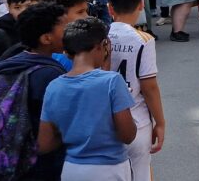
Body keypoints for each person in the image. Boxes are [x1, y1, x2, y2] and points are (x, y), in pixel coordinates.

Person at [38, 18, 137, 181]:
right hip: (111, 169)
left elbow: (44, 143)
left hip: (72, 169)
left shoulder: (53, 87)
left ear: (67, 52)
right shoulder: (112, 81)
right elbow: (128, 135)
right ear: (102, 45)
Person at [0, 2, 68, 180]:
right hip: (42, 163)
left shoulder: (7, 63)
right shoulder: (51, 75)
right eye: (65, 27)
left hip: (9, 154)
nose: (70, 31)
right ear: (46, 38)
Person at [106, 0, 165, 181]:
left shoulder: (99, 35)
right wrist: (160, 121)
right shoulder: (143, 39)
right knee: (140, 173)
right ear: (141, 4)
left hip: (105, 121)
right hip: (137, 120)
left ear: (109, 8)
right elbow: (149, 87)